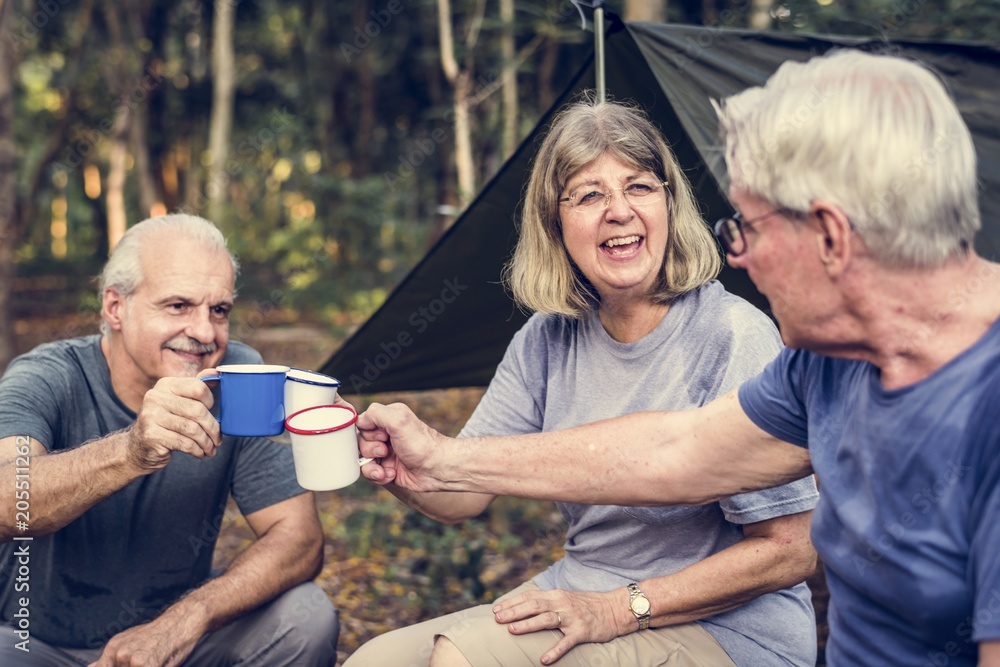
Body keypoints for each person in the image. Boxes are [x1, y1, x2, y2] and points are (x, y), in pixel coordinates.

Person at [357, 49, 1000, 667]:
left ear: (829, 235)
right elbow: (676, 453)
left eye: (744, 227)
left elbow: (785, 544)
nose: (736, 258)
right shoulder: (825, 367)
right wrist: (442, 460)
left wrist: (623, 607)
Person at [347, 99, 819, 667]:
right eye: (590, 194)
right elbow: (463, 490)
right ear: (555, 223)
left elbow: (790, 551)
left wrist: (618, 608)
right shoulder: (546, 339)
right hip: (581, 585)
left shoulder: (734, 334)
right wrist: (399, 465)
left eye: (639, 187)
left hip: (731, 631)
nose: (618, 211)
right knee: (374, 661)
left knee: (463, 660)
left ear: (670, 203)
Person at [0, 214, 339, 666]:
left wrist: (185, 620)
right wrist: (131, 450)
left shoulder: (238, 377)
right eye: (178, 305)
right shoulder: (48, 375)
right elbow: (9, 499)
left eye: (219, 310)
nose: (204, 332)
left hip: (174, 643)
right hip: (32, 643)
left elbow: (299, 538)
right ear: (115, 308)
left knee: (306, 616)